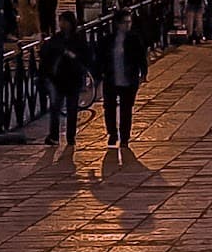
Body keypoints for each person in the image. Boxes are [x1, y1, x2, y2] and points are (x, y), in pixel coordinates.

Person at [95, 10, 148, 148]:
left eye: (129, 22)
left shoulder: (134, 39)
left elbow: (141, 57)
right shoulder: (108, 40)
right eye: (125, 22)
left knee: (126, 108)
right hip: (111, 78)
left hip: (129, 78)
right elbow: (100, 58)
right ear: (117, 24)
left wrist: (143, 73)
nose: (127, 25)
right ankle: (112, 133)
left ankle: (125, 137)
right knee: (109, 107)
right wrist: (98, 74)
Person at [40, 11, 90, 147]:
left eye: (64, 21)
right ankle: (54, 136)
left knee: (72, 108)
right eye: (60, 21)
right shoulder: (57, 39)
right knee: (56, 107)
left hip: (72, 78)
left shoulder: (78, 39)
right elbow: (47, 55)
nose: (62, 24)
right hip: (58, 79)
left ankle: (70, 136)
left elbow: (85, 57)